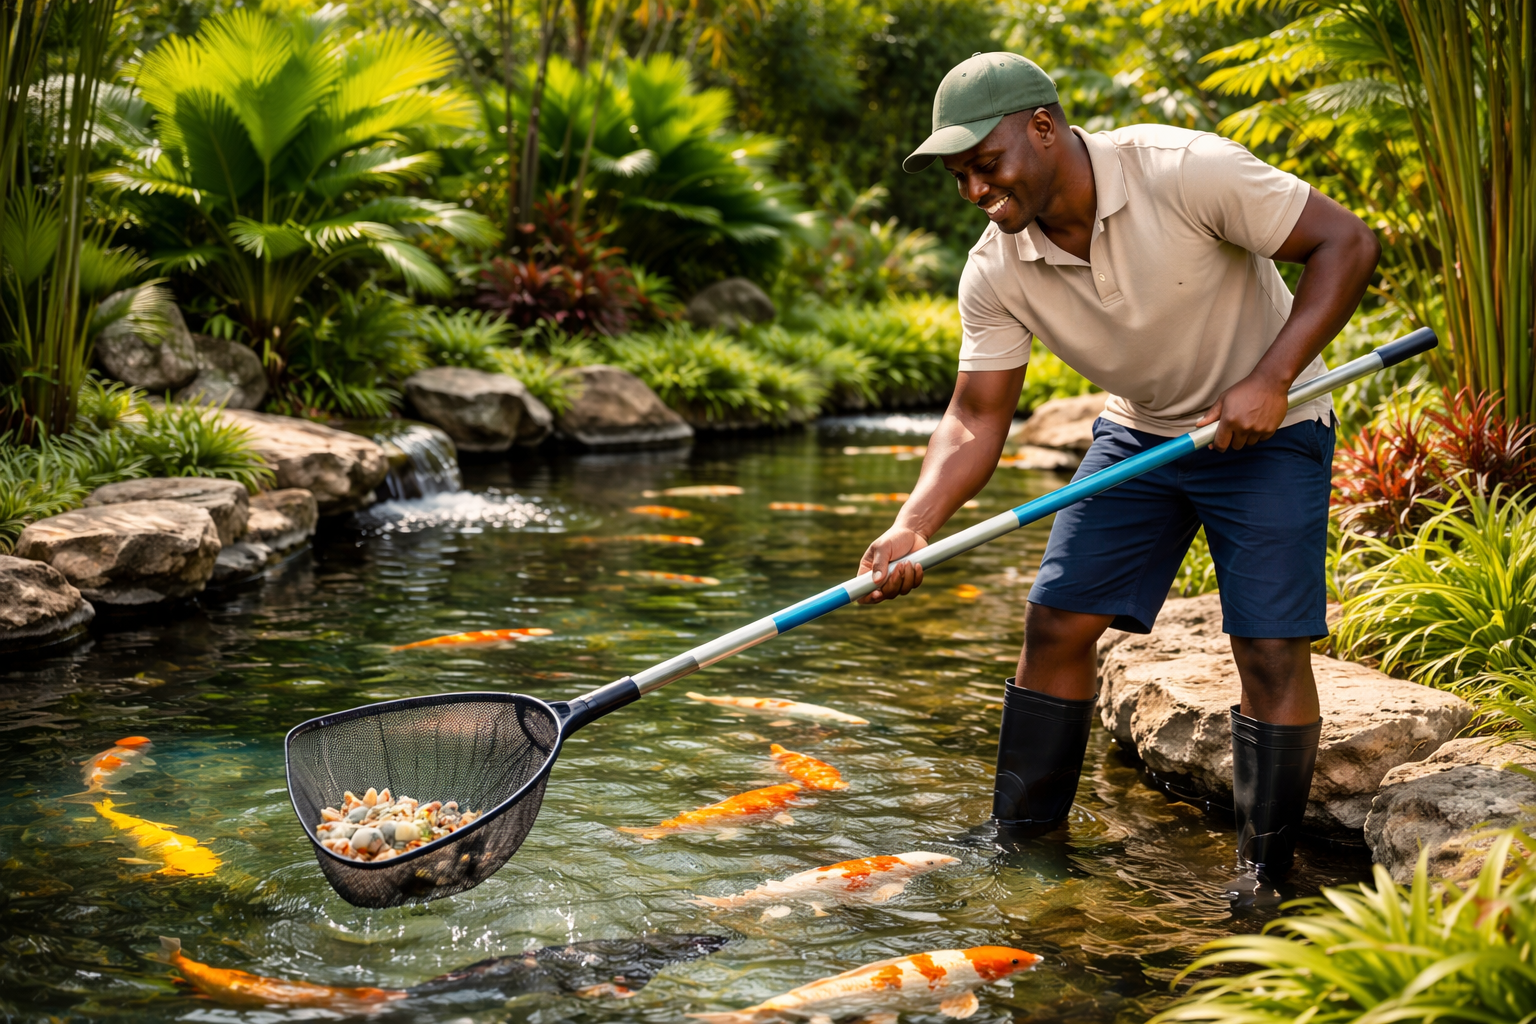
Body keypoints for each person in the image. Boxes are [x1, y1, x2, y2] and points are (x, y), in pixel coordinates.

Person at [856, 52, 1379, 903]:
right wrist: (915, 521)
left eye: (985, 164)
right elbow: (976, 415)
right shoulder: (995, 267)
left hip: (1272, 429)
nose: (975, 190)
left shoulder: (1185, 170)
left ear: (1043, 127)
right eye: (959, 177)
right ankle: (1024, 842)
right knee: (1056, 624)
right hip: (1140, 436)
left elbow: (1346, 242)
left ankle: (1264, 875)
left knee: (1267, 647)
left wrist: (1272, 376)